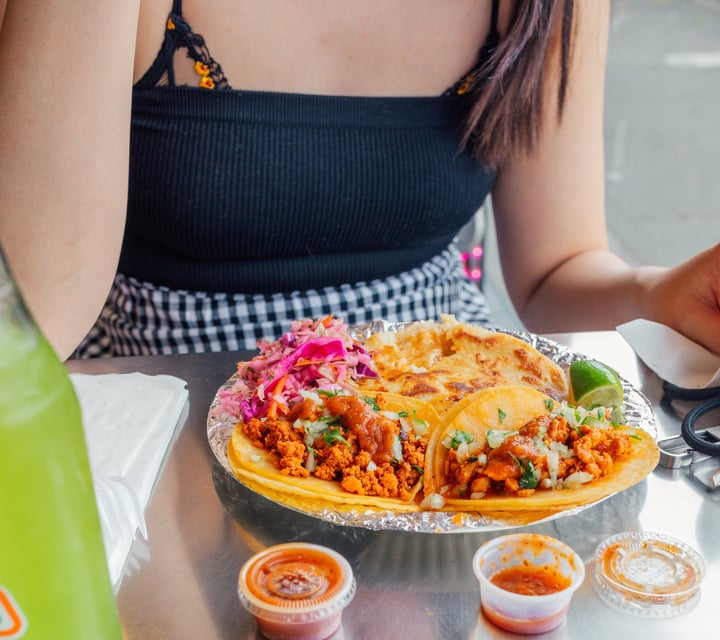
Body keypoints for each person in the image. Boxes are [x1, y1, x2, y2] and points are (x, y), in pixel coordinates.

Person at [0, 0, 718, 361]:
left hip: (434, 446)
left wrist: (657, 293)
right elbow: (30, 326)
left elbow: (554, 273)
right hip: (159, 442)